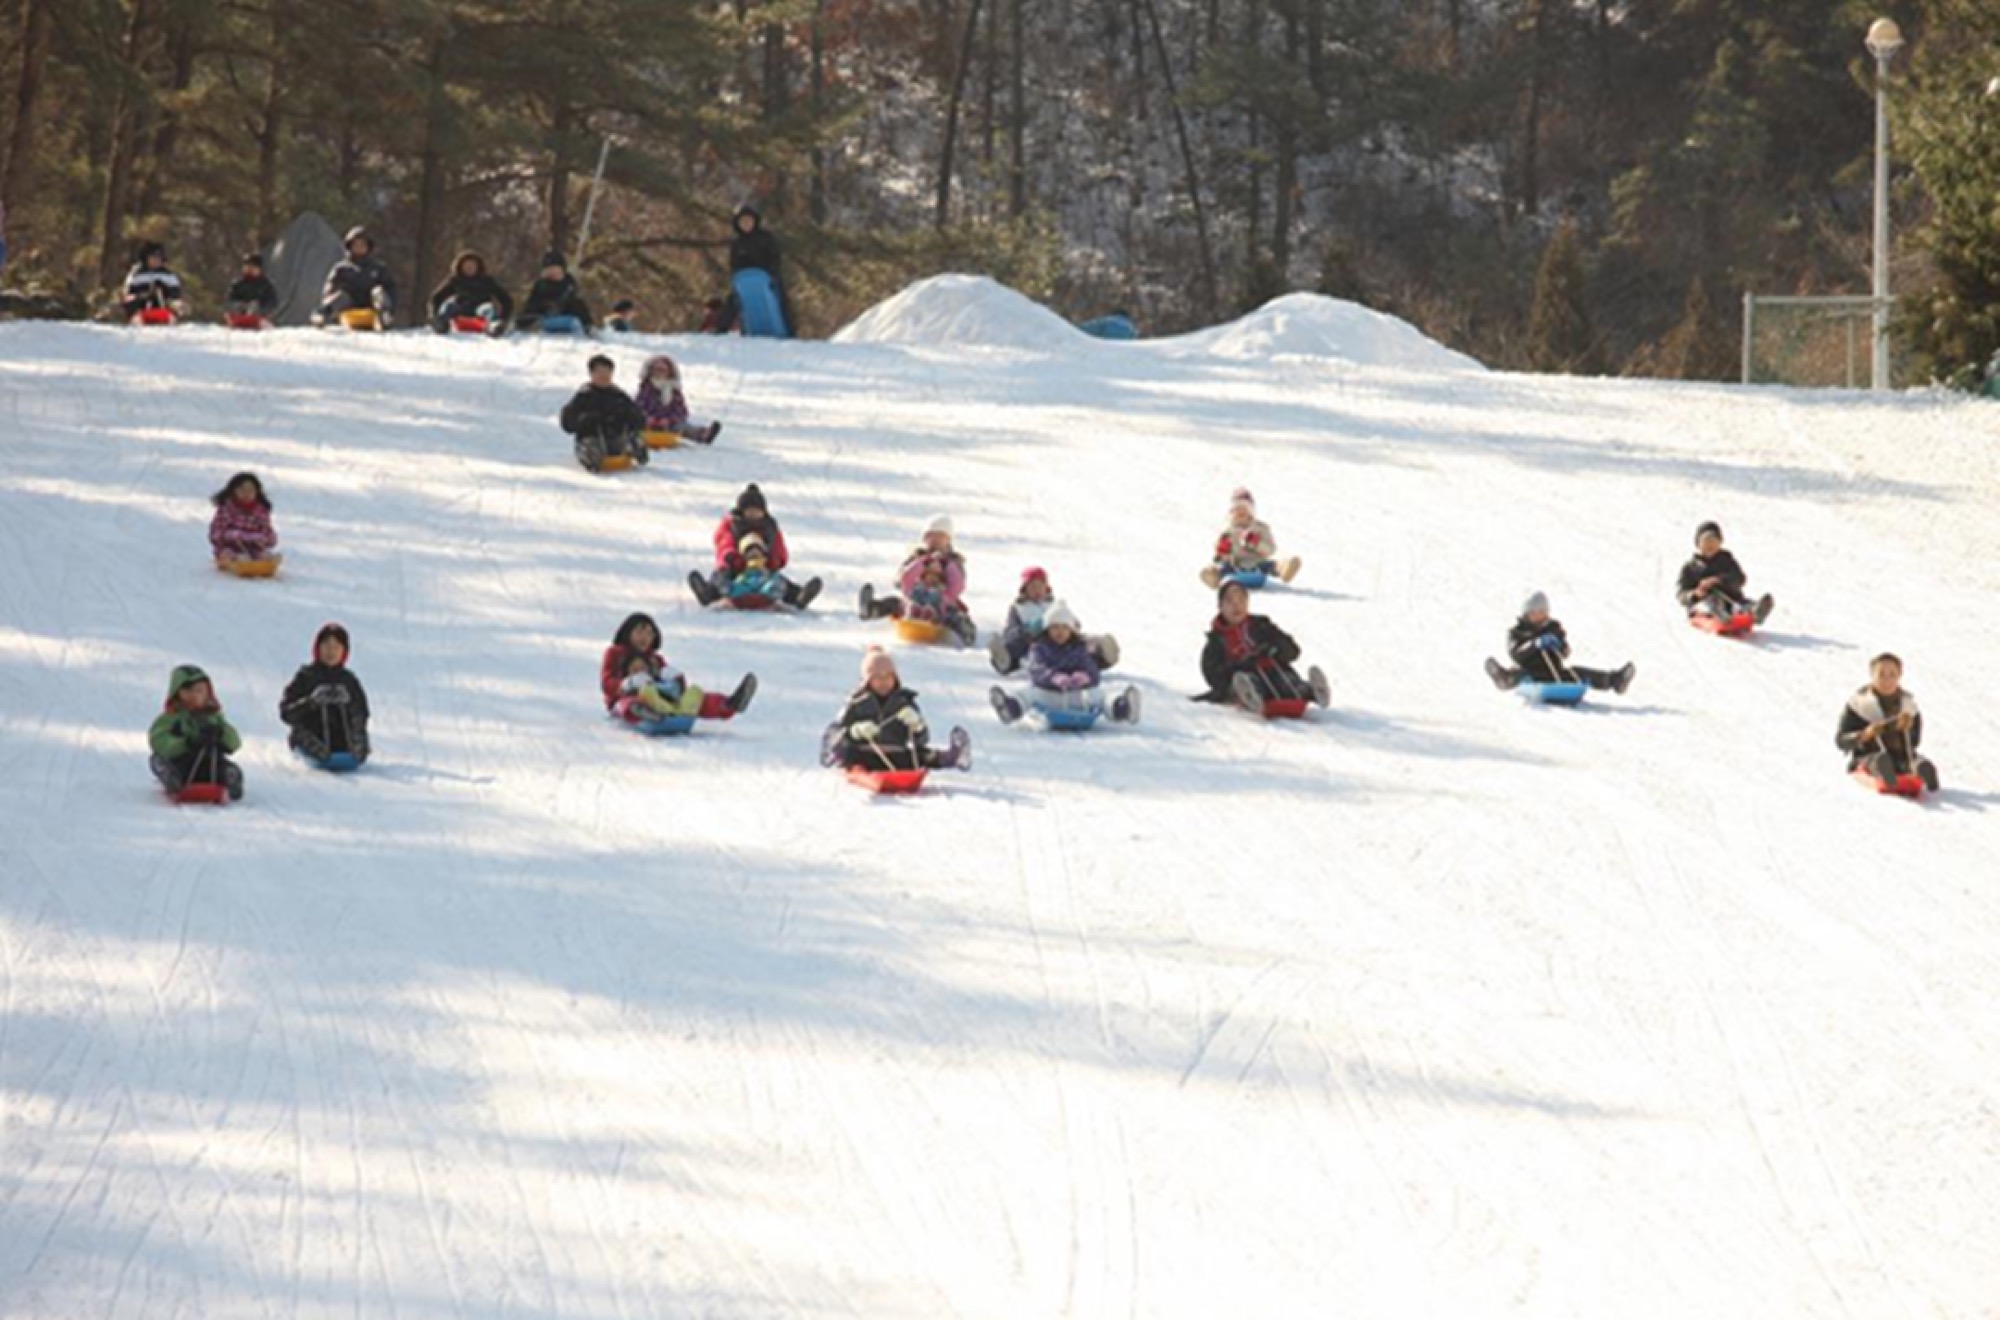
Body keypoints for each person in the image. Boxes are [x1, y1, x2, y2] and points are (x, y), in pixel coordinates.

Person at [820, 647, 971, 772]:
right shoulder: (857, 702)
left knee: (920, 755)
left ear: (895, 678)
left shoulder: (904, 702)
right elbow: (841, 728)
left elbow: (921, 740)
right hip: (864, 753)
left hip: (896, 754)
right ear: (867, 681)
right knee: (849, 753)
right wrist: (855, 731)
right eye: (877, 677)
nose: (884, 681)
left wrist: (917, 726)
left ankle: (953, 756)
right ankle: (834, 753)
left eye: (888, 676)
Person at [991, 602, 1139, 725]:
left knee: (1100, 695)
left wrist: (1085, 676)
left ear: (1071, 631)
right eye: (1055, 627)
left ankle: (1122, 708)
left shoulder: (1080, 648)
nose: (1060, 632)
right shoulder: (1039, 648)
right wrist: (1053, 677)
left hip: (1077, 696)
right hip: (1049, 695)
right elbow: (1036, 669)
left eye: (1064, 628)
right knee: (1029, 694)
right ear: (1047, 629)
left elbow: (1092, 670)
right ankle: (1010, 708)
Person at [599, 612, 755, 725]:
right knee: (628, 704)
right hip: (623, 700)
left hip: (659, 699)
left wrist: (676, 679)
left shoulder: (655, 659)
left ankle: (728, 704)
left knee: (697, 698)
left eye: (650, 634)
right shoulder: (615, 653)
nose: (645, 638)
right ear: (627, 632)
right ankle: (644, 713)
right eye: (640, 631)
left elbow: (675, 686)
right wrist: (627, 684)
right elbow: (606, 683)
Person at [1198, 580, 1331, 711]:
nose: (1236, 606)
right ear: (1220, 606)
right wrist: (1240, 664)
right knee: (1247, 681)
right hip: (1244, 679)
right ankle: (1250, 694)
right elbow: (1213, 676)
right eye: (1230, 601)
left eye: (1241, 601)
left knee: (1286, 681)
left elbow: (1293, 651)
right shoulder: (1216, 641)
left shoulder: (1261, 625)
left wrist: (1275, 648)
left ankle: (1312, 691)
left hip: (1274, 672)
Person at [690, 483, 821, 609]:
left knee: (780, 581)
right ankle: (708, 593)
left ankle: (798, 596)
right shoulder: (732, 525)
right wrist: (729, 557)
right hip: (736, 567)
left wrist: (774, 560)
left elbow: (778, 547)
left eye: (757, 511)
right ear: (742, 511)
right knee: (720, 578)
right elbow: (724, 542)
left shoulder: (770, 527)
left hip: (762, 567)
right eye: (749, 511)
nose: (753, 514)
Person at [1484, 591, 1635, 693]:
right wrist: (1535, 645)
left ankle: (1615, 680)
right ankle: (1505, 679)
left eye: (1543, 612)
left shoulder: (1553, 628)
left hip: (1554, 674)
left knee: (1577, 672)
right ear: (1526, 614)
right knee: (1519, 674)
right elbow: (1516, 653)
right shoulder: (1517, 632)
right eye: (1535, 613)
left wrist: (1560, 646)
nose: (1539, 616)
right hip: (1531, 674)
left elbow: (1566, 652)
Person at [858, 516, 975, 644]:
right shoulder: (917, 557)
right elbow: (901, 579)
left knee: (955, 614)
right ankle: (871, 609)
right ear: (924, 539)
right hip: (914, 597)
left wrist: (947, 565)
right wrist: (923, 562)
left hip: (942, 602)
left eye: (940, 536)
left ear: (948, 540)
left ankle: (966, 631)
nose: (935, 540)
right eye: (931, 536)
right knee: (894, 603)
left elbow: (958, 586)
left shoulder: (954, 561)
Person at [988, 567, 1120, 675]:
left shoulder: (1055, 605)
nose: (1037, 590)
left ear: (1047, 588)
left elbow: (1074, 622)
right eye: (1032, 587)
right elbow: (1011, 632)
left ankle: (1102, 652)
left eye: (1040, 586)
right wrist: (1028, 630)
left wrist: (1071, 625)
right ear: (1024, 590)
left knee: (1081, 647)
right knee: (1017, 647)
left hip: (1061, 638)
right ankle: (1004, 659)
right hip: (1035, 643)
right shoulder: (1019, 608)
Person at [1837, 652, 1939, 790]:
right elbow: (1841, 741)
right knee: (1878, 760)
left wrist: (1907, 728)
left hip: (1902, 757)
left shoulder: (1908, 705)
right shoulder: (1859, 704)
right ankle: (1885, 773)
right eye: (1881, 674)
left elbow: (1915, 742)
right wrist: (1865, 735)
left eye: (1892, 675)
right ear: (1872, 675)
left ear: (1899, 676)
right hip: (1867, 756)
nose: (1887, 680)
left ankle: (1922, 772)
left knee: (1916, 762)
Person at [280, 623, 371, 764]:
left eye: (336, 647)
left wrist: (349, 704)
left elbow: (362, 714)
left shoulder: (349, 681)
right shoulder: (306, 676)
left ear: (344, 652)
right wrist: (311, 702)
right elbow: (286, 713)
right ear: (318, 648)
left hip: (344, 748)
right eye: (326, 646)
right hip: (313, 740)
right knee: (305, 733)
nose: (331, 652)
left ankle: (349, 753)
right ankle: (317, 752)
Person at [149, 664, 244, 800]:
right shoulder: (170, 718)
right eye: (187, 692)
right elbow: (159, 741)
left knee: (229, 768)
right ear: (177, 693)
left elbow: (234, 743)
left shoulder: (214, 719)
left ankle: (231, 782)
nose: (194, 696)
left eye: (199, 691)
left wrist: (220, 734)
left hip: (211, 764)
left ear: (207, 693)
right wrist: (186, 743)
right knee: (157, 760)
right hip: (181, 764)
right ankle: (173, 781)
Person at [559, 354, 648, 471]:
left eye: (607, 372)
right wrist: (586, 419)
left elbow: (639, 418)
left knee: (634, 439)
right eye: (599, 372)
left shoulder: (619, 396)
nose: (603, 376)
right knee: (591, 447)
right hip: (592, 438)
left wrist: (629, 417)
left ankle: (635, 453)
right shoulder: (584, 396)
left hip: (616, 438)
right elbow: (568, 422)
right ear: (591, 374)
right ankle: (592, 461)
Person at [1676, 521, 1774, 625]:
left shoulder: (1727, 561)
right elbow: (1681, 593)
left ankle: (1754, 612)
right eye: (1706, 543)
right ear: (1698, 545)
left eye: (1713, 542)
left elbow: (1740, 578)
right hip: (1704, 603)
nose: (1710, 546)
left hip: (1731, 599)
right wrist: (1695, 593)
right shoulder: (1691, 567)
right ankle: (1720, 615)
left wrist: (1719, 580)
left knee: (1741, 604)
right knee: (1708, 603)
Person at [1200, 487, 1299, 588]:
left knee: (1270, 565)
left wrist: (1256, 543)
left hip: (1258, 569)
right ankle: (1213, 576)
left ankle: (1284, 569)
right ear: (1232, 512)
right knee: (1224, 567)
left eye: (1244, 509)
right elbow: (1219, 556)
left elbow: (1271, 550)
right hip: (1236, 570)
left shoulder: (1260, 528)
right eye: (1237, 509)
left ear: (1250, 511)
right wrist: (1222, 551)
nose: (1240, 512)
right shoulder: (1228, 531)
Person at [722, 203, 796, 334]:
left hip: (767, 277)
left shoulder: (765, 238)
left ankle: (789, 331)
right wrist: (737, 277)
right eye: (742, 222)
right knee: (734, 300)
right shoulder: (737, 243)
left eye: (748, 221)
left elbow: (775, 257)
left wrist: (771, 273)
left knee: (780, 300)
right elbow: (734, 263)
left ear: (755, 221)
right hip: (746, 280)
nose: (746, 224)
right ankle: (723, 329)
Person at [313, 227, 396, 327]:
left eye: (362, 245)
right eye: (356, 245)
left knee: (378, 291)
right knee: (341, 295)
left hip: (372, 306)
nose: (359, 248)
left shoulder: (378, 268)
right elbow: (330, 286)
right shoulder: (342, 268)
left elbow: (391, 288)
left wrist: (391, 306)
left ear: (368, 247)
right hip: (349, 305)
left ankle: (385, 317)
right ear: (350, 247)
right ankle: (321, 315)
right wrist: (329, 300)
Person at [634, 354, 722, 444]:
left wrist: (668, 420)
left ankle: (703, 434)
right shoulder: (646, 389)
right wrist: (648, 418)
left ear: (669, 372)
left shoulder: (674, 391)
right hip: (649, 424)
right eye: (656, 370)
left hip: (669, 425)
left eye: (662, 370)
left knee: (682, 426)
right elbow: (638, 407)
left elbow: (681, 411)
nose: (659, 373)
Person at [427, 250, 513, 335]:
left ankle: (494, 326)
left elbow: (506, 299)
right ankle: (441, 324)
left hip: (481, 312)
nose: (469, 268)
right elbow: (436, 298)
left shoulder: (487, 281)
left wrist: (504, 318)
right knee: (449, 306)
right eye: (466, 265)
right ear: (460, 267)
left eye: (472, 265)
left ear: (478, 266)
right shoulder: (455, 280)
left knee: (488, 308)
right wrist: (433, 315)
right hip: (461, 311)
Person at [209, 471, 279, 565]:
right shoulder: (227, 509)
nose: (246, 494)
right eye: (242, 490)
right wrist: (233, 536)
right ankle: (238, 561)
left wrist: (264, 539)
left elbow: (267, 531)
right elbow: (216, 533)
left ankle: (265, 561)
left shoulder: (261, 511)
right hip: (231, 547)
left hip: (254, 547)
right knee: (228, 554)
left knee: (262, 554)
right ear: (234, 491)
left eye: (250, 490)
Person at [516, 250, 593, 333]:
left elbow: (576, 303)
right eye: (549, 269)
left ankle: (588, 329)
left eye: (555, 269)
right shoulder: (542, 284)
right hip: (547, 319)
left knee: (577, 307)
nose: (553, 272)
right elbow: (532, 304)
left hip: (567, 316)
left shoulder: (569, 283)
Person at [121, 241, 187, 321]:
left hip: (164, 308)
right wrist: (145, 294)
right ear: (146, 257)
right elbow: (128, 294)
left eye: (159, 257)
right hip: (141, 309)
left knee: (175, 309)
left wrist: (166, 293)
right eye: (153, 257)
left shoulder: (168, 275)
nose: (156, 260)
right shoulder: (137, 274)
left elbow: (176, 295)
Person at [223, 252, 279, 324]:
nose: (250, 269)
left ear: (259, 269)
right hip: (238, 317)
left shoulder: (266, 285)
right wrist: (240, 305)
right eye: (247, 267)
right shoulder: (237, 284)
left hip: (259, 319)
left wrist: (259, 308)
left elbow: (272, 303)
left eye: (253, 267)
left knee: (255, 309)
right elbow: (229, 301)